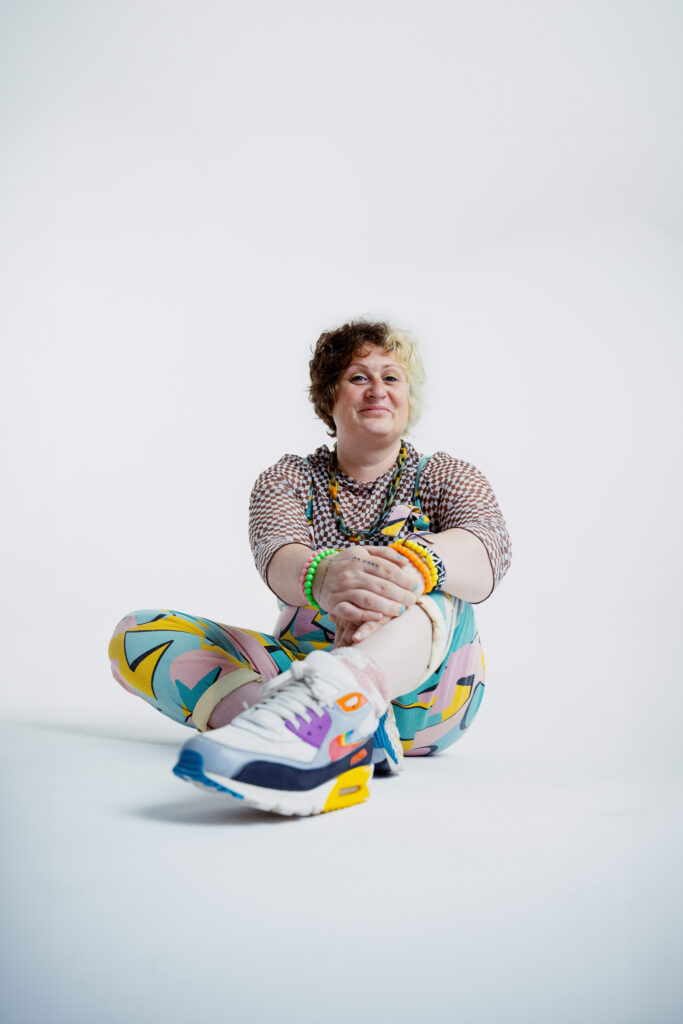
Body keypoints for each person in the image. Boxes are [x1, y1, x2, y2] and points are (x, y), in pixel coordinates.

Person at [108, 320, 511, 816]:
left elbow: (488, 549)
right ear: (328, 396)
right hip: (302, 671)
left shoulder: (447, 474)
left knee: (441, 584)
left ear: (409, 397)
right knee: (138, 637)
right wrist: (325, 575)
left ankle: (341, 709)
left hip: (426, 701)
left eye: (391, 377)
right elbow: (278, 556)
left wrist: (407, 568)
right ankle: (319, 733)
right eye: (359, 377)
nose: (378, 389)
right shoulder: (289, 479)